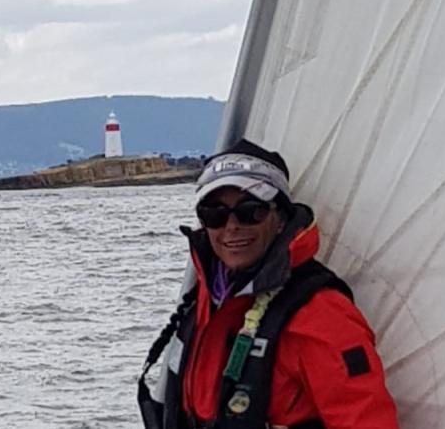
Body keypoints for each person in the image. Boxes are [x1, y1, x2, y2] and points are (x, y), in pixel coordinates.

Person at [139, 139, 399, 429]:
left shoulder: (321, 313)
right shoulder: (204, 301)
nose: (231, 226)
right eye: (214, 214)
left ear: (280, 218)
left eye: (251, 211)